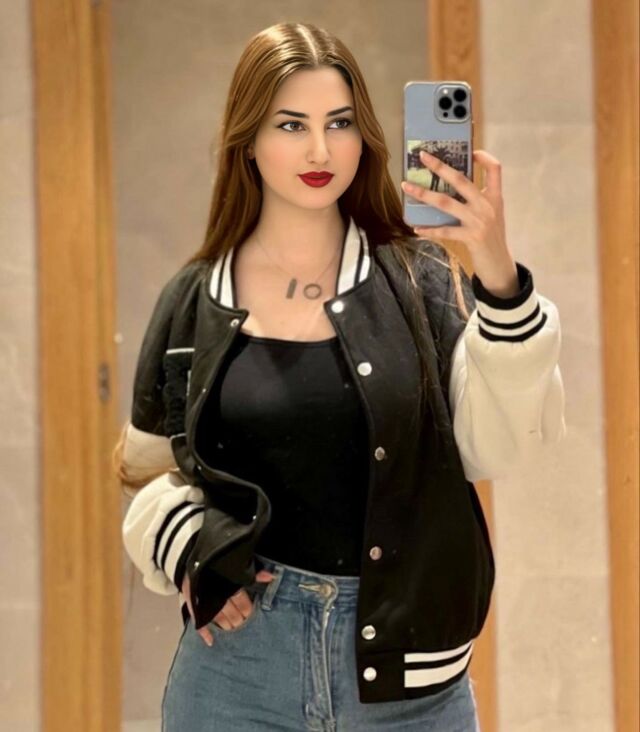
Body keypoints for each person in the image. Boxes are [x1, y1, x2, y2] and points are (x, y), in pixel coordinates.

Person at [115, 21, 566, 732]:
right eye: (291, 124)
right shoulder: (195, 298)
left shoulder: (418, 281)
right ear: (248, 140)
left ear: (365, 137)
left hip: (408, 683)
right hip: (237, 670)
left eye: (340, 123)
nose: (320, 151)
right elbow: (146, 469)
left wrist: (498, 276)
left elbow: (499, 447)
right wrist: (188, 544)